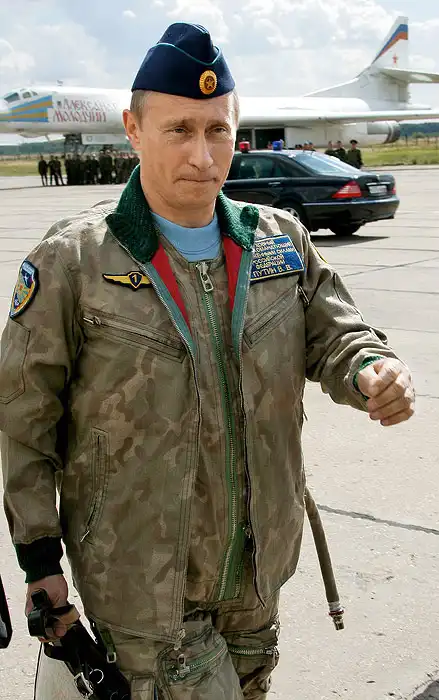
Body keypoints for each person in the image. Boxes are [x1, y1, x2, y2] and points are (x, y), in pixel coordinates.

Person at [0, 22, 415, 700]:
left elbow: (337, 335)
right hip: (143, 588)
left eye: (218, 130)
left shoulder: (279, 243)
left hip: (259, 573)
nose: (202, 155)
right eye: (179, 130)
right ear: (133, 130)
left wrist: (372, 371)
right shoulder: (74, 262)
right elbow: (23, 418)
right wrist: (39, 562)